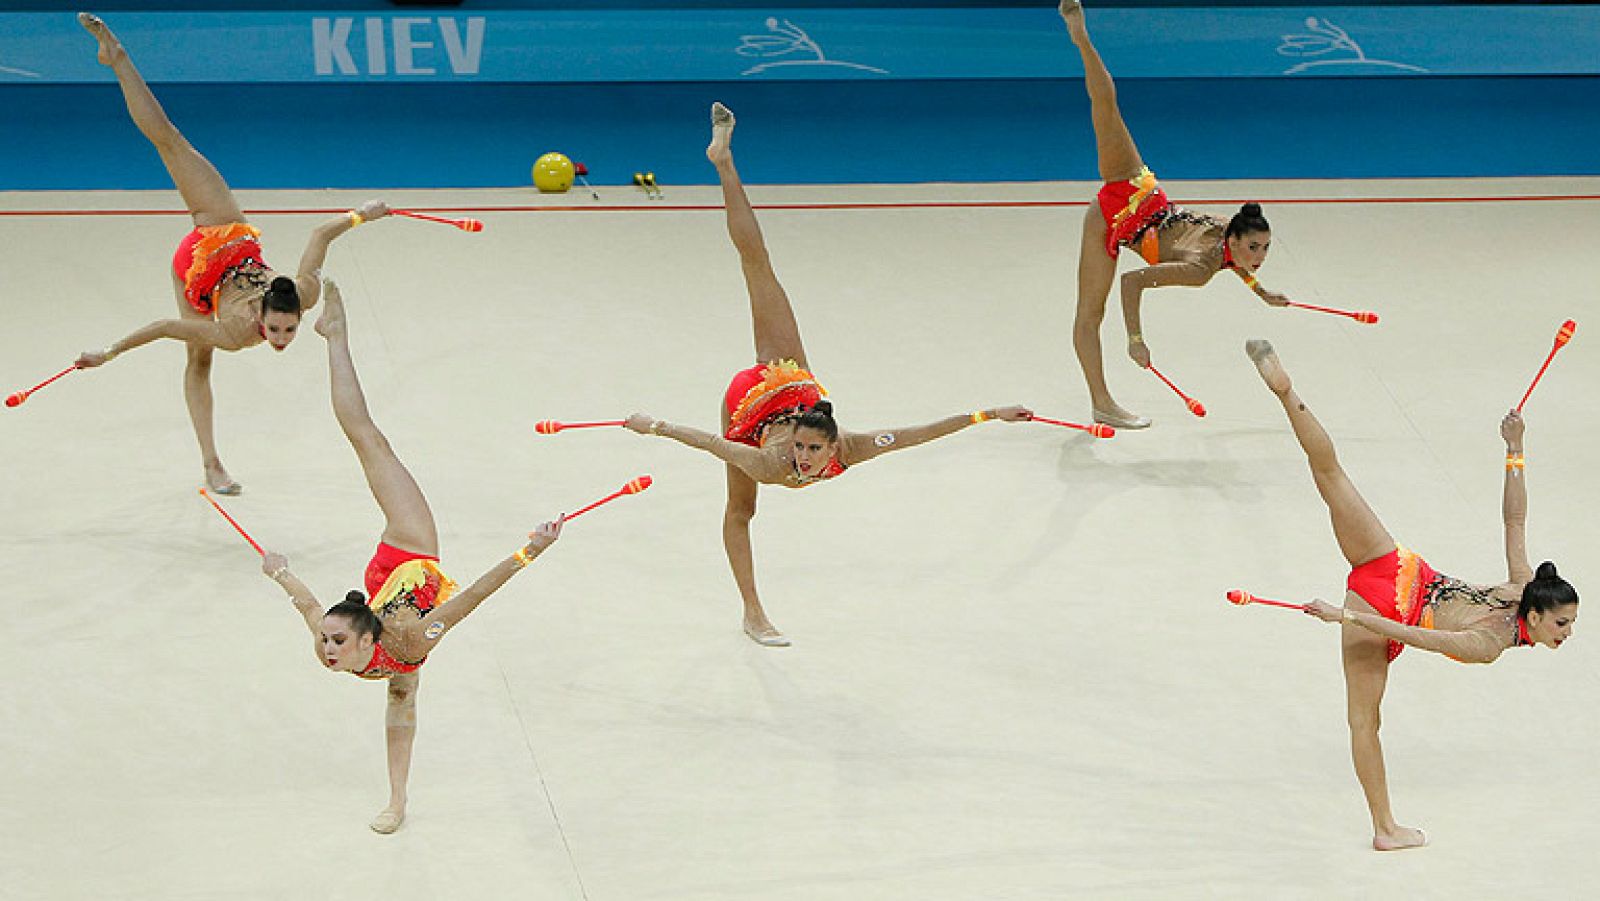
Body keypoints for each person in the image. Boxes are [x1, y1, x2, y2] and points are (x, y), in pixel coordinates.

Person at [624, 102, 1032, 647]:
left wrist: (987, 414)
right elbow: (708, 443)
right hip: (757, 398)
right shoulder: (769, 461)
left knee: (761, 269)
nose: (805, 459)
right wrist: (654, 426)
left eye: (813, 452)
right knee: (741, 507)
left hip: (795, 389)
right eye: (803, 450)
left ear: (832, 444)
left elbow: (917, 434)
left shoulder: (852, 446)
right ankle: (753, 612)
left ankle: (722, 158)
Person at [1246, 338, 1578, 850]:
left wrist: (1515, 449)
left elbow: (1515, 520)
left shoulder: (1521, 585)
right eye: (1562, 623)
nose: (1567, 633)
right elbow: (1408, 635)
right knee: (1364, 722)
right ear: (1534, 616)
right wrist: (1344, 618)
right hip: (1380, 608)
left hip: (1393, 565)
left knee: (1331, 475)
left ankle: (1288, 394)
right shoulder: (1488, 644)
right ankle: (1384, 829)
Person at [261, 280, 564, 833]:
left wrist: (533, 548)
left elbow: (474, 594)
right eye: (329, 639)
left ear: (367, 641)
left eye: (334, 641)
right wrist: (278, 569)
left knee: (367, 438)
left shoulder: (414, 634)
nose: (324, 648)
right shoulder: (354, 641)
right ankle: (397, 800)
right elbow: (304, 600)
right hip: (387, 593)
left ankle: (336, 335)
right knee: (403, 693)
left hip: (411, 547)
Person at [73, 13, 392, 494]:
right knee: (171, 140)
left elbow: (319, 239)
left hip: (194, 277)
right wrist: (361, 215)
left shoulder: (293, 300)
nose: (281, 338)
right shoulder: (239, 330)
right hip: (220, 230)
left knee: (197, 361)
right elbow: (322, 233)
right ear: (264, 312)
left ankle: (210, 464)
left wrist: (360, 218)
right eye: (279, 328)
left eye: (285, 332)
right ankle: (116, 56)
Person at [1059, 0, 1290, 429]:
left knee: (1089, 315)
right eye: (1254, 247)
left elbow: (1236, 264)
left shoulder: (1226, 244)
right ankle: (1081, 39)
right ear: (1235, 238)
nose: (1259, 256)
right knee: (1106, 107)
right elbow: (1132, 282)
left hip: (1110, 224)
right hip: (1133, 190)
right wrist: (1136, 341)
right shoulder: (1202, 266)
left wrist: (1261, 291)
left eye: (1265, 250)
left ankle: (1101, 403)